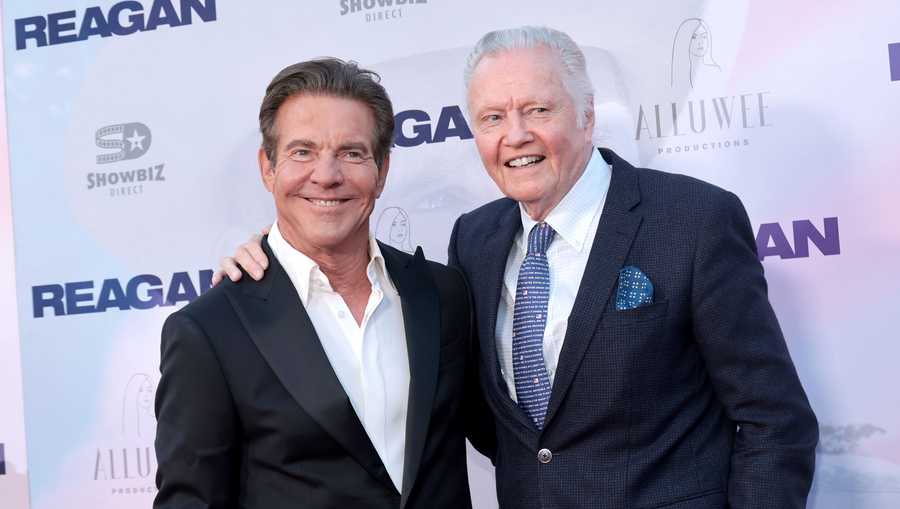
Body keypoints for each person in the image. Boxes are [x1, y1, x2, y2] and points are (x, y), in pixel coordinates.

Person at [218, 27, 819, 509]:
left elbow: (774, 420)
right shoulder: (474, 241)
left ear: (586, 116)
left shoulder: (692, 220)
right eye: (492, 118)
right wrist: (279, 261)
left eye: (537, 109)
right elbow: (480, 415)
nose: (516, 135)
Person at [155, 58, 487, 509]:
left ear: (382, 170)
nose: (327, 176)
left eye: (351, 153)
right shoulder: (210, 332)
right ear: (267, 168)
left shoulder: (444, 295)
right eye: (302, 152)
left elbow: (506, 432)